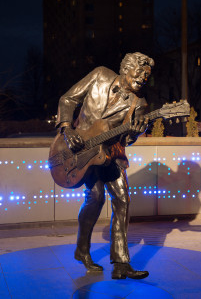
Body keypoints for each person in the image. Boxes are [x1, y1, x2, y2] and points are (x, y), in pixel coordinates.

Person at [55, 52, 154, 279]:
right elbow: (67, 99)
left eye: (147, 76)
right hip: (81, 149)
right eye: (139, 72)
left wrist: (136, 132)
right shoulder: (100, 75)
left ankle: (121, 264)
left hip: (112, 154)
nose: (143, 78)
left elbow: (128, 139)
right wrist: (68, 129)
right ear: (126, 69)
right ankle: (82, 249)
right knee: (96, 197)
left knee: (122, 199)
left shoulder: (140, 104)